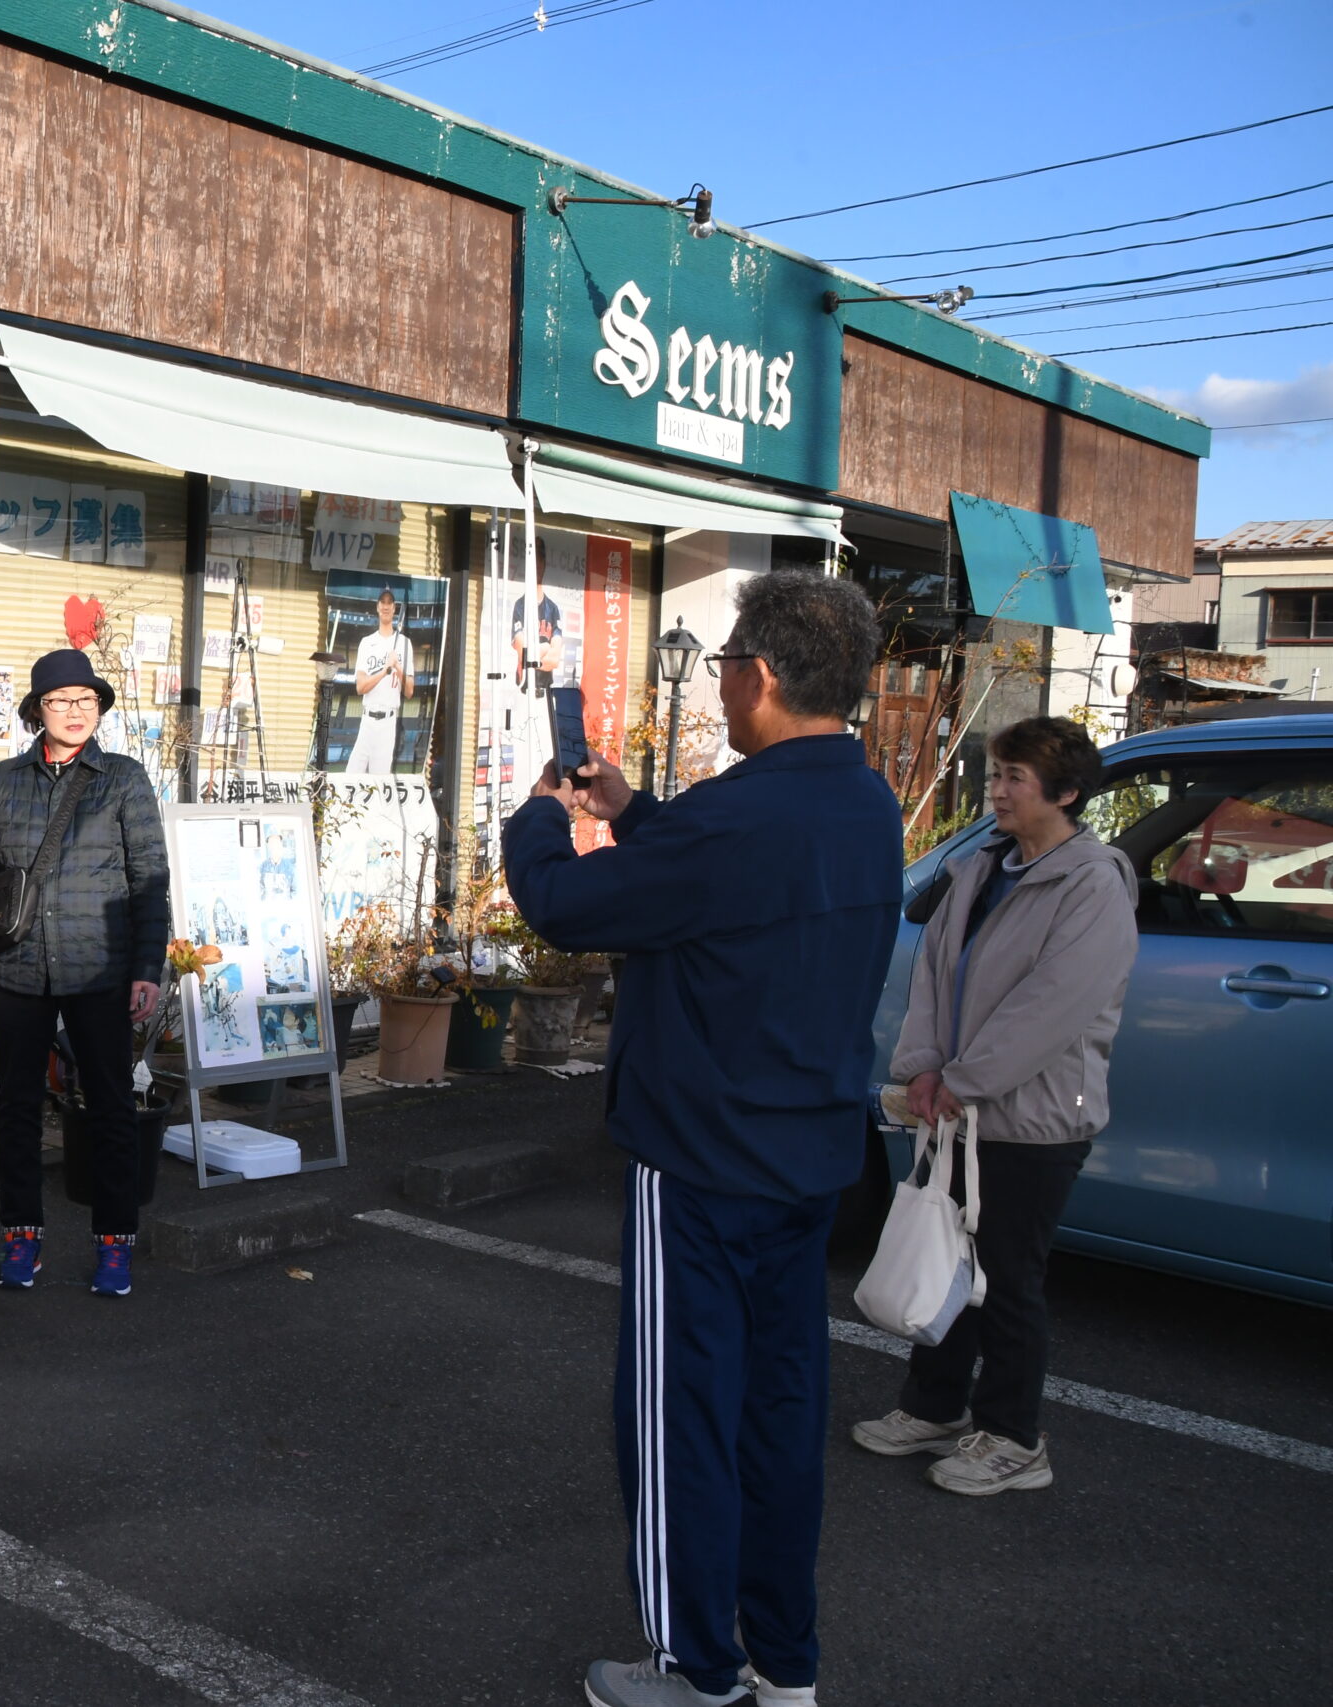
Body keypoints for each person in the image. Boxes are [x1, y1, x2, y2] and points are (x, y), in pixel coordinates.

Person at [504, 571, 899, 1707]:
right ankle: (783, 1662)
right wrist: (631, 809)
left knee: (680, 1422)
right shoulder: (860, 803)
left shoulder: (741, 817)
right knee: (779, 1417)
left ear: (761, 678)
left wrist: (545, 811)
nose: (723, 682)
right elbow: (727, 876)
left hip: (699, 1159)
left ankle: (695, 1667)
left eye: (728, 665)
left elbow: (567, 908)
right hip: (809, 1156)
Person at [855, 717, 1135, 1495]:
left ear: (1067, 792)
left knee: (1008, 1276)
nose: (997, 789)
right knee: (951, 1263)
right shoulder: (984, 867)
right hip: (958, 1107)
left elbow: (1054, 1005)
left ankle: (1014, 1437)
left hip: (1033, 1117)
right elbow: (935, 978)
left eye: (1015, 776)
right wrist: (920, 1068)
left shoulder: (1092, 883)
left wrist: (962, 1080)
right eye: (997, 771)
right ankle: (934, 1406)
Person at [0, 649, 169, 1299]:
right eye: (60, 701)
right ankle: (22, 1235)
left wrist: (146, 968)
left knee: (109, 1108)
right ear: (36, 711)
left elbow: (149, 881)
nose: (75, 711)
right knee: (16, 1108)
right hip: (15, 971)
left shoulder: (125, 779)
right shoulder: (1, 782)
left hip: (100, 969)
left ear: (100, 708)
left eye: (87, 700)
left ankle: (115, 1244)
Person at [346, 587, 415, 775]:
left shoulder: (404, 643)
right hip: (367, 719)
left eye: (389, 603)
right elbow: (360, 687)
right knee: (351, 776)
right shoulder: (367, 642)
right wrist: (384, 671)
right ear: (377, 607)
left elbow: (409, 691)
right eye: (382, 602)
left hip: (388, 722)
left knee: (379, 781)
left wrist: (398, 668)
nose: (385, 606)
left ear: (394, 608)